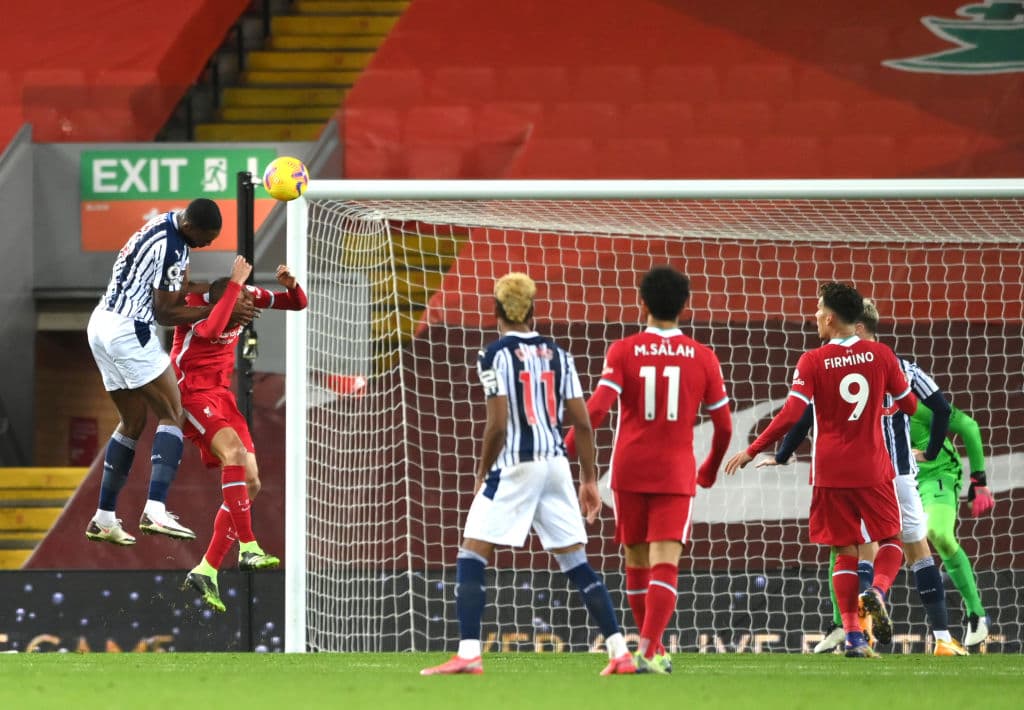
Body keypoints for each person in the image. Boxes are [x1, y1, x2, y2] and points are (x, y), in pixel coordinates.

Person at [420, 273, 637, 676]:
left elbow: (498, 425)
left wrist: (482, 471)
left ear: (496, 311)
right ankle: (620, 651)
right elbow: (585, 423)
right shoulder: (559, 354)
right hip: (556, 464)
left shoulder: (493, 355)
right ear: (533, 310)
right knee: (576, 560)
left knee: (471, 553)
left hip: (516, 464)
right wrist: (589, 479)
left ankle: (469, 653)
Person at [762, 299, 968, 656]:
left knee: (853, 551)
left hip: (853, 471)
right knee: (916, 551)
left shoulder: (828, 364)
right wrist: (933, 451)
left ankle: (856, 632)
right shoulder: (901, 365)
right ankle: (941, 637)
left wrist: (780, 454)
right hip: (899, 472)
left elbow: (804, 415)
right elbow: (942, 408)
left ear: (856, 327)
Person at [724, 282, 918, 658]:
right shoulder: (881, 355)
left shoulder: (811, 361)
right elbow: (908, 405)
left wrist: (752, 449)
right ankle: (876, 592)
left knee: (843, 552)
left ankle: (853, 638)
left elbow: (792, 415)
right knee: (891, 541)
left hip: (829, 471)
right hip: (872, 466)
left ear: (830, 318)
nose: (814, 316)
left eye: (817, 311)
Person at [563, 265, 733, 674]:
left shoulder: (623, 350)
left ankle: (649, 650)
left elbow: (599, 409)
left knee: (635, 561)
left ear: (641, 303)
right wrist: (708, 469)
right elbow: (725, 426)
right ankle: (651, 648)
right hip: (675, 473)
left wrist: (561, 449)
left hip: (629, 470)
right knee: (664, 563)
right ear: (686, 308)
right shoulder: (703, 357)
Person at [85, 199, 255, 546]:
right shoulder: (175, 247)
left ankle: (103, 518)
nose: (207, 244)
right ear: (191, 228)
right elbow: (166, 312)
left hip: (101, 323)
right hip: (131, 330)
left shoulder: (164, 222)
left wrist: (216, 294)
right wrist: (217, 311)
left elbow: (178, 286)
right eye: (206, 238)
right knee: (173, 412)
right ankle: (155, 509)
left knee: (132, 423)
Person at [171, 257, 308, 612]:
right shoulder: (195, 309)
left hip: (222, 396)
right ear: (224, 301)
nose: (252, 307)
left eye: (251, 300)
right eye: (244, 302)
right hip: (191, 393)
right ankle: (248, 546)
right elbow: (212, 331)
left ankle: (207, 568)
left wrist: (290, 285)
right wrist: (234, 284)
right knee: (233, 456)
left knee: (252, 482)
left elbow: (296, 304)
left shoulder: (241, 297)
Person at [913, 401, 994, 646]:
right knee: (857, 538)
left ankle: (976, 614)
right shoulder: (863, 406)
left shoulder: (915, 404)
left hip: (935, 475)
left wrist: (979, 481)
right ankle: (844, 625)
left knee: (938, 533)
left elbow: (968, 426)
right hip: (892, 481)